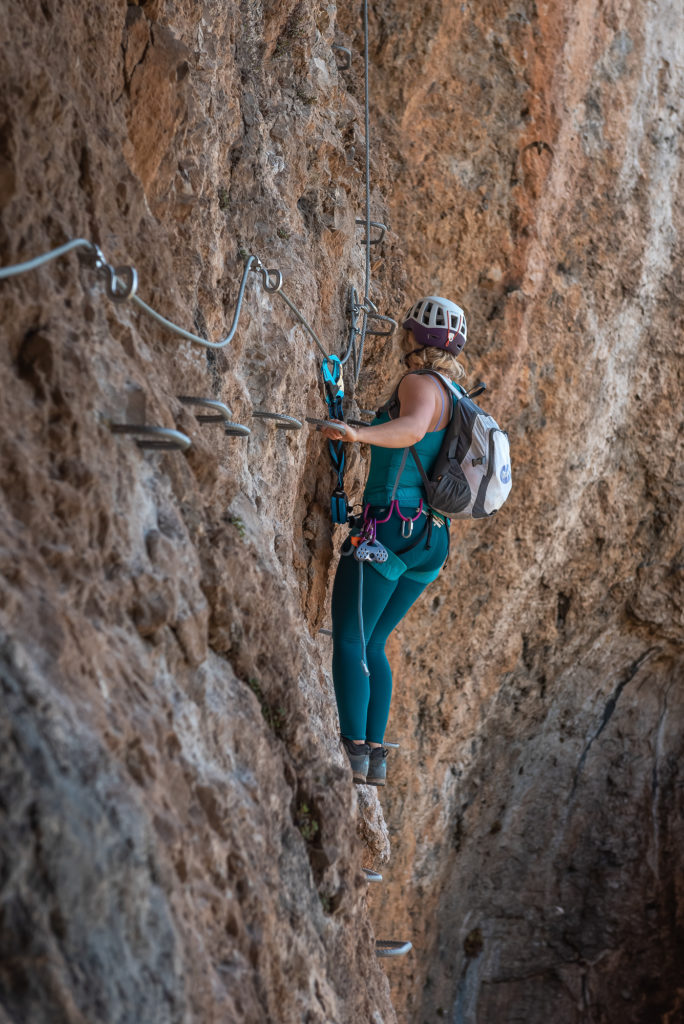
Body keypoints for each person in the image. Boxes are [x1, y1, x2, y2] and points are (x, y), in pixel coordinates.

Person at [321, 296, 468, 786]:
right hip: (432, 538)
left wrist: (357, 434)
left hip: (393, 525)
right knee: (376, 642)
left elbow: (411, 430)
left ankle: (352, 753)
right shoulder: (459, 396)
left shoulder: (419, 383)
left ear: (415, 339)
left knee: (350, 636)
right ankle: (375, 757)